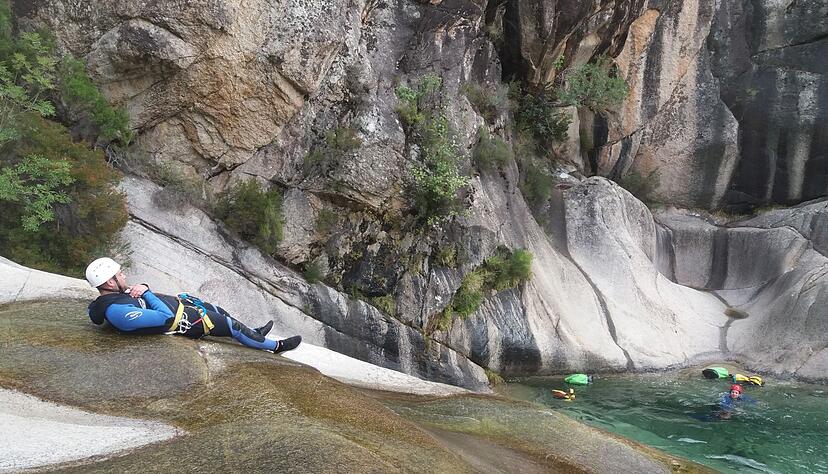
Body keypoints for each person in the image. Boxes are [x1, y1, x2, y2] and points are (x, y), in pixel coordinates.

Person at [85, 257, 301, 354]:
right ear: (110, 282)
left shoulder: (117, 295)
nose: (124, 275)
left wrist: (144, 289)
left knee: (218, 310)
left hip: (180, 307)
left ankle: (255, 333)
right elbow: (165, 318)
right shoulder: (117, 312)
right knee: (231, 326)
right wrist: (147, 292)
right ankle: (276, 347)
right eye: (120, 274)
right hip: (185, 321)